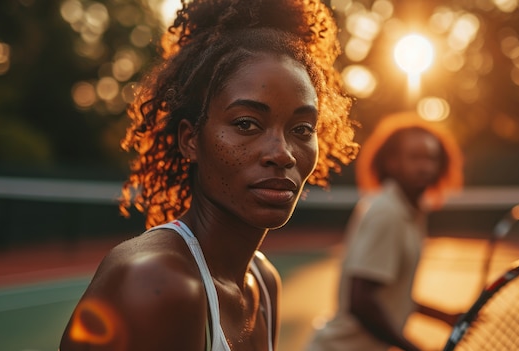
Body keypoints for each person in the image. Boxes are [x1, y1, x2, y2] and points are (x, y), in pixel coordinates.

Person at [59, 0, 358, 350]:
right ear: (190, 140)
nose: (282, 153)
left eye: (303, 128)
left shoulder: (263, 281)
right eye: (246, 123)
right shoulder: (157, 282)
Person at [306, 113, 464, 351]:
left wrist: (445, 317)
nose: (425, 167)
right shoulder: (388, 212)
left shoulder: (409, 210)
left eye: (431, 158)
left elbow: (390, 296)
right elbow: (360, 301)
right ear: (392, 162)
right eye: (415, 157)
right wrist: (412, 347)